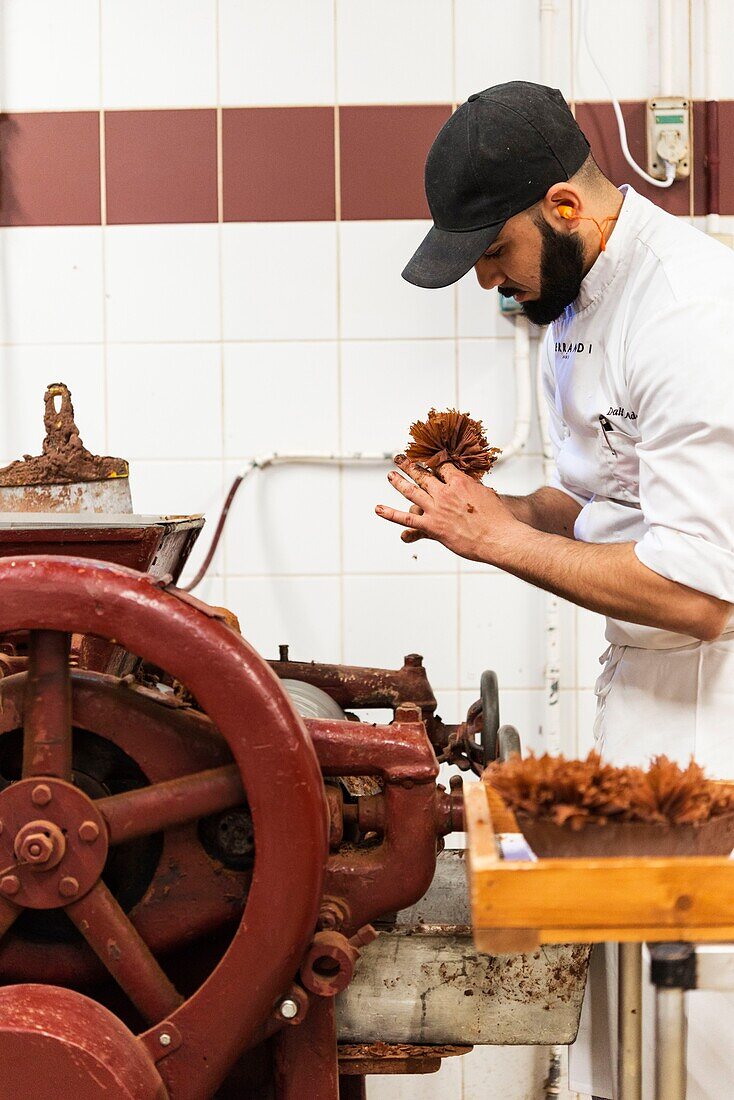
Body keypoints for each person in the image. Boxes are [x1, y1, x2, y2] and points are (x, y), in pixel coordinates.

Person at [375, 80, 734, 1100]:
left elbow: (701, 591)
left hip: (713, 699)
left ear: (563, 208)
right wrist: (490, 513)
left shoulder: (690, 315)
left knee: (688, 1039)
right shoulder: (573, 305)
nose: (488, 281)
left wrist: (500, 544)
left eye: (494, 251)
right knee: (616, 1043)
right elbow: (596, 508)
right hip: (647, 699)